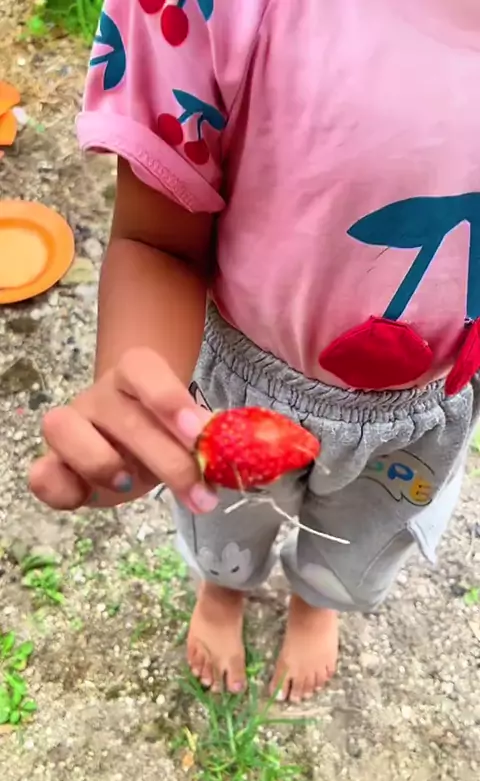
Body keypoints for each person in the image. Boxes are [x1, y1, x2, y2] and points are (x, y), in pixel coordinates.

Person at [29, 0, 480, 702]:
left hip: (424, 411)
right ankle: (223, 587)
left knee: (358, 531)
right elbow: (159, 240)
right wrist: (141, 409)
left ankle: (316, 598)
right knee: (225, 512)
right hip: (242, 381)